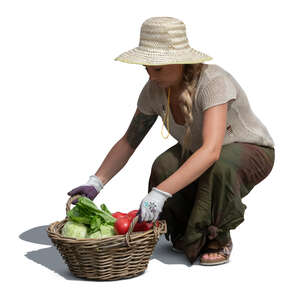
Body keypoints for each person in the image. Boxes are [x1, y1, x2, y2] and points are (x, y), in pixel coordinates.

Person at [67, 17, 275, 266]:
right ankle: (183, 233)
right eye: (147, 67)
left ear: (179, 61)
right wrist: (96, 182)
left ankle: (216, 238)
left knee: (220, 168)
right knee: (164, 165)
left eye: (158, 68)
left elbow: (211, 151)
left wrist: (160, 193)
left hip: (249, 148)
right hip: (202, 150)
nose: (150, 75)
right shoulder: (154, 90)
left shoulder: (214, 82)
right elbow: (129, 141)